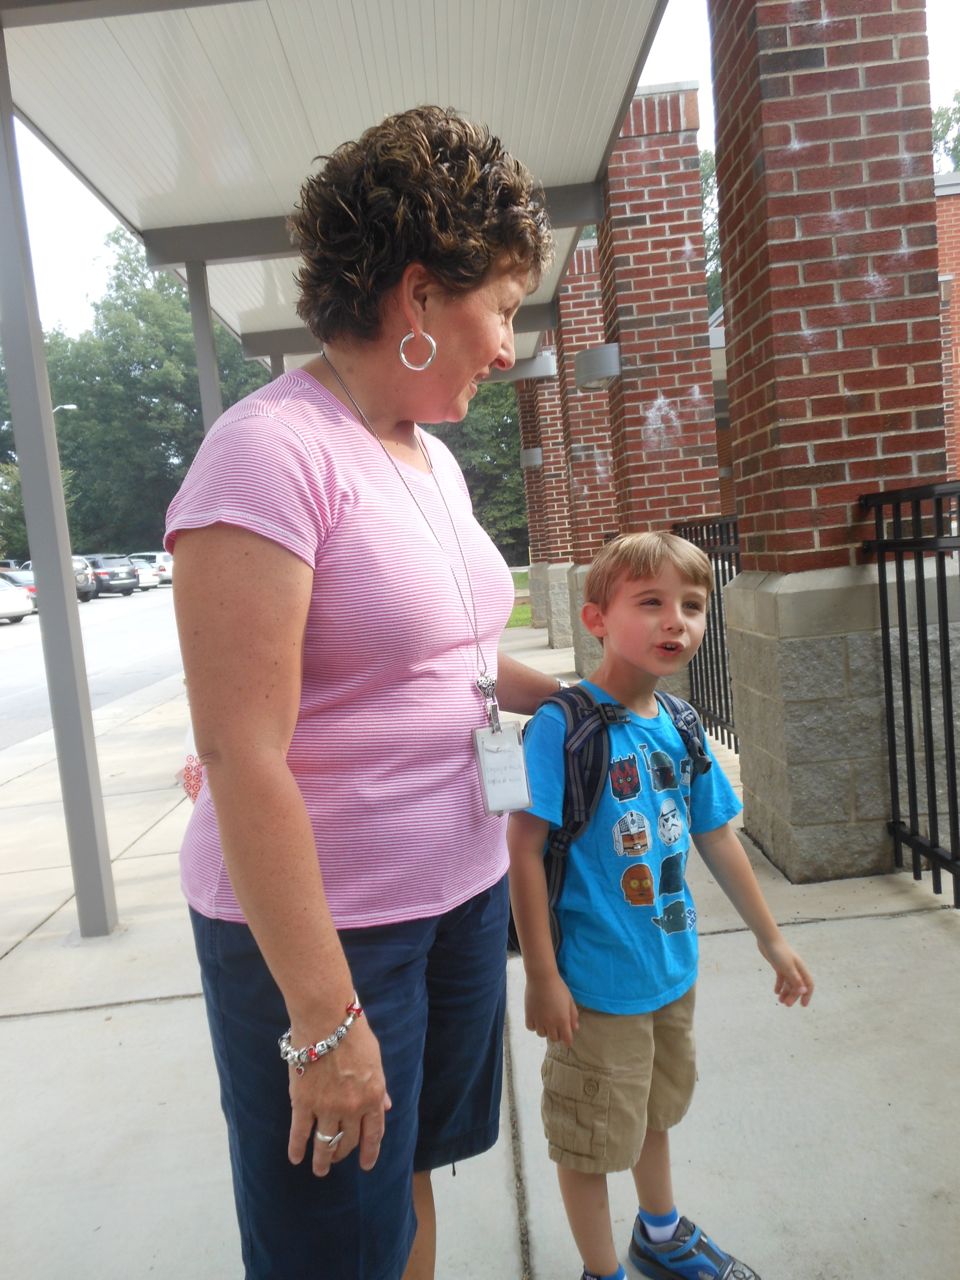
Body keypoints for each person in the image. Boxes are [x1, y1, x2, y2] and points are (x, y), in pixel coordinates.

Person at [164, 105, 556, 1280]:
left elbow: (450, 655)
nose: (509, 346)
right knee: (333, 1245)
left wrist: (582, 697)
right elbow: (241, 752)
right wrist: (325, 1017)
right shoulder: (267, 454)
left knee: (410, 1178)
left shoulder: (426, 453)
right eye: (503, 308)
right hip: (330, 935)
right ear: (420, 296)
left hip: (457, 891)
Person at [508, 532, 814, 1280]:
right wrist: (542, 976)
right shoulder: (563, 727)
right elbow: (522, 852)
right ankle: (602, 1270)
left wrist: (770, 939)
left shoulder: (680, 722)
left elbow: (716, 835)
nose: (676, 620)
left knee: (653, 1109)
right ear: (596, 619)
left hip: (671, 968)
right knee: (589, 1138)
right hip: (594, 984)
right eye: (650, 602)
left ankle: (661, 1231)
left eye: (692, 606)